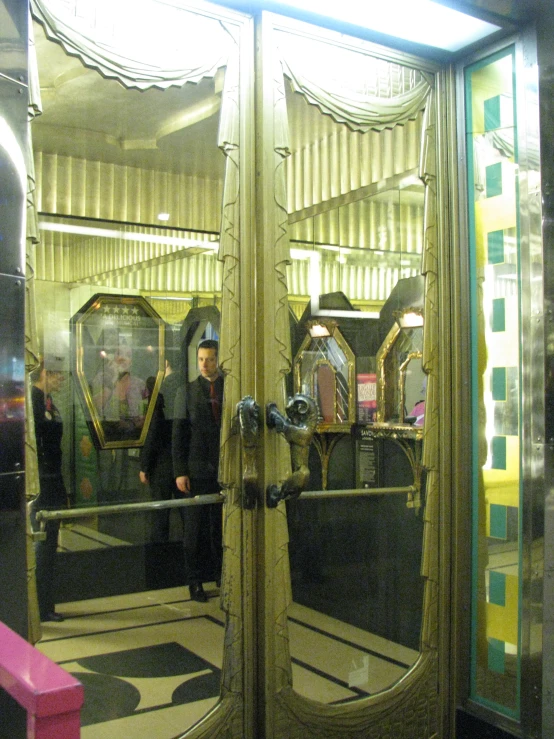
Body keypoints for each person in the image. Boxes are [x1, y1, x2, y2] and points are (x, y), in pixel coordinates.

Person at [172, 339, 223, 603]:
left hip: (223, 470)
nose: (205, 364)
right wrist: (180, 471)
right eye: (201, 359)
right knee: (193, 531)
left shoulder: (229, 388)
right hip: (196, 470)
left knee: (221, 528)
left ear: (218, 359)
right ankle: (195, 582)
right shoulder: (187, 392)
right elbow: (178, 434)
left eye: (210, 359)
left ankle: (222, 577)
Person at [30, 355, 68, 622]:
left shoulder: (48, 402)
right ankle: (40, 607)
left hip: (53, 477)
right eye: (57, 374)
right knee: (42, 545)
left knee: (50, 544)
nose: (61, 380)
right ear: (44, 373)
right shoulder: (32, 401)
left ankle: (46, 604)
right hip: (43, 479)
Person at [139, 354, 183, 542]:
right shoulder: (186, 385)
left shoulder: (160, 389)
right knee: (186, 514)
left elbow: (154, 427)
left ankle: (159, 559)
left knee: (160, 516)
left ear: (164, 364)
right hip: (182, 461)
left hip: (162, 461)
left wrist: (144, 464)